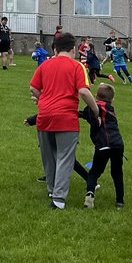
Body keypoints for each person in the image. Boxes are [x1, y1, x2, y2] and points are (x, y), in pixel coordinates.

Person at [29, 32, 100, 210]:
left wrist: (43, 99)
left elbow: (33, 88)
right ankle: (59, 199)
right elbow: (83, 91)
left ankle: (52, 189)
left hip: (44, 116)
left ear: (55, 49)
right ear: (73, 49)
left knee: (49, 157)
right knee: (65, 157)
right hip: (66, 118)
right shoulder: (77, 66)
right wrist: (96, 110)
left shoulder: (45, 65)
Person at [82, 83, 125, 210]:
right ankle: (120, 201)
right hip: (117, 144)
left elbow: (86, 114)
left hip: (102, 145)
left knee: (94, 172)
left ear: (96, 96)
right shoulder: (111, 109)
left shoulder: (92, 108)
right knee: (117, 172)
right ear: (112, 99)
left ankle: (90, 193)